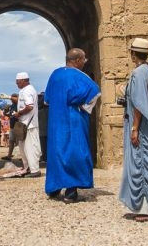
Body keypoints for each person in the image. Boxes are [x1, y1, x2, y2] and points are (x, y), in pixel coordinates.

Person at [44, 48, 101, 203]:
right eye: (84, 59)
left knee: (56, 152)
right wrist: (84, 107)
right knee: (75, 151)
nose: (85, 62)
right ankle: (71, 191)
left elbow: (47, 99)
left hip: (56, 121)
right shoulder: (81, 77)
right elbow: (95, 91)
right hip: (74, 119)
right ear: (77, 61)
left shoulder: (55, 75)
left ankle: (54, 188)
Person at [119, 38, 148, 222]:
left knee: (141, 162)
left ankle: (146, 208)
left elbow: (138, 104)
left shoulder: (137, 73)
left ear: (132, 54)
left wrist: (135, 128)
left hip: (142, 124)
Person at [11, 72, 41, 178]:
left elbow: (29, 106)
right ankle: (27, 168)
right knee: (23, 148)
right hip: (24, 124)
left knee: (30, 148)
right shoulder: (24, 90)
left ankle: (35, 170)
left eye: (18, 81)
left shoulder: (28, 90)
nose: (16, 83)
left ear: (24, 80)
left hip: (29, 124)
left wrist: (18, 113)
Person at [1, 93, 19, 160]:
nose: (11, 100)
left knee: (19, 142)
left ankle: (23, 157)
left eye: (13, 98)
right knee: (11, 141)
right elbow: (10, 115)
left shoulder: (19, 104)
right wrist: (6, 113)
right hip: (12, 125)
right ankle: (9, 155)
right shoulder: (12, 106)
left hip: (18, 125)